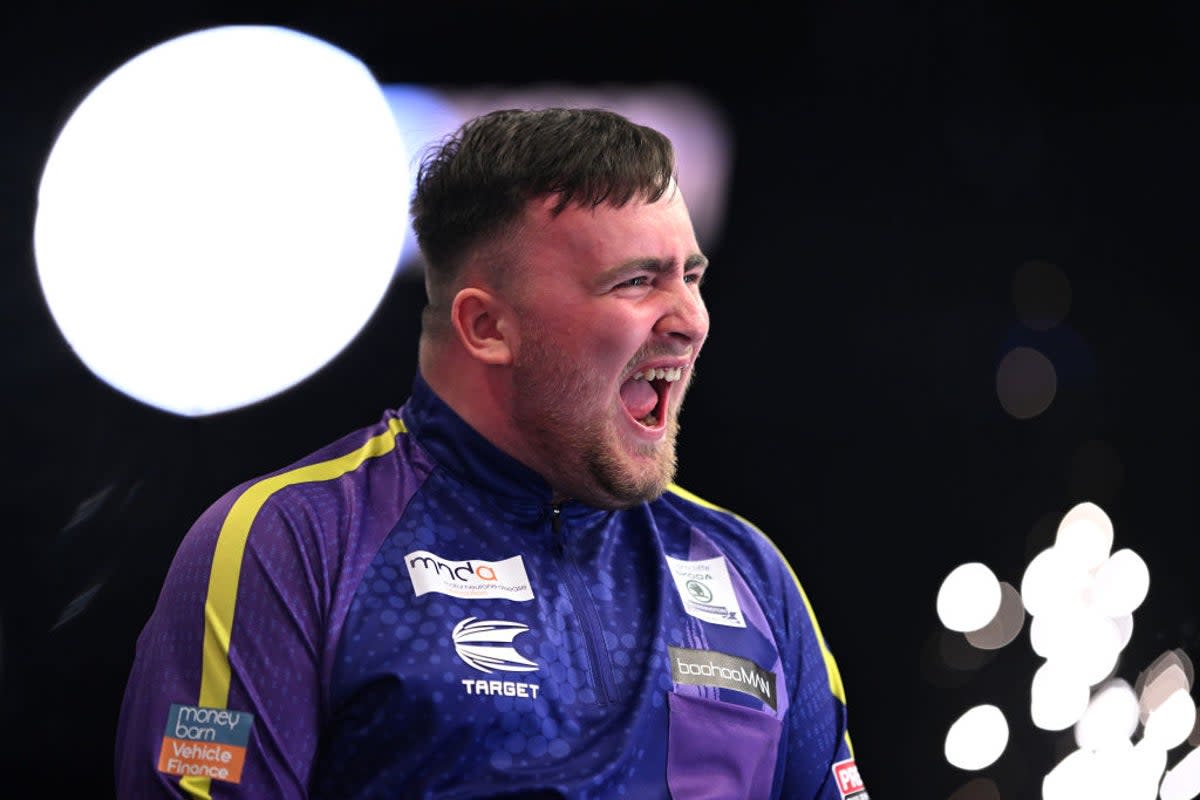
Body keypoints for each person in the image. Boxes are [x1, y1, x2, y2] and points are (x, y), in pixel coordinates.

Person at [114, 106, 866, 799]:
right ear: (487, 328)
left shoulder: (751, 575)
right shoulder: (293, 544)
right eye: (637, 281)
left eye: (691, 276)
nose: (690, 321)